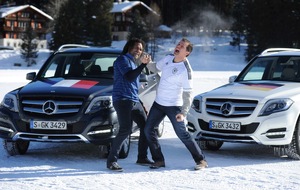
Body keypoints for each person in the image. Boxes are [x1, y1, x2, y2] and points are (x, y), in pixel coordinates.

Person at [144, 38, 208, 170]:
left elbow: (188, 94)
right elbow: (155, 68)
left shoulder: (186, 70)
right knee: (148, 130)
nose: (178, 46)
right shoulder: (168, 58)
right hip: (159, 104)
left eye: (182, 46)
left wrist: (183, 113)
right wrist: (147, 63)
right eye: (178, 44)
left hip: (174, 107)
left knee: (182, 134)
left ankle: (201, 160)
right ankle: (159, 160)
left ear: (187, 53)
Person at [106, 38, 153, 171]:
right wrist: (143, 65)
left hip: (134, 100)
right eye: (136, 48)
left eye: (140, 49)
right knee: (125, 130)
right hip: (122, 100)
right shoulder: (122, 60)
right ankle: (111, 161)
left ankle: (142, 157)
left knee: (146, 127)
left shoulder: (133, 62)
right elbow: (129, 77)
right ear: (129, 47)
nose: (138, 50)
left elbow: (134, 79)